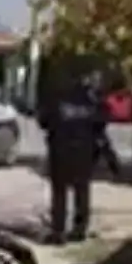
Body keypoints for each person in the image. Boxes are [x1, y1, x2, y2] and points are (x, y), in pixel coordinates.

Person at [38, 56, 104, 244]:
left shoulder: (56, 96)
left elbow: (44, 120)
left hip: (60, 148)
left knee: (59, 192)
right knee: (82, 189)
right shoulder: (90, 98)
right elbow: (102, 121)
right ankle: (79, 229)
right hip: (84, 150)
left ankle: (58, 231)